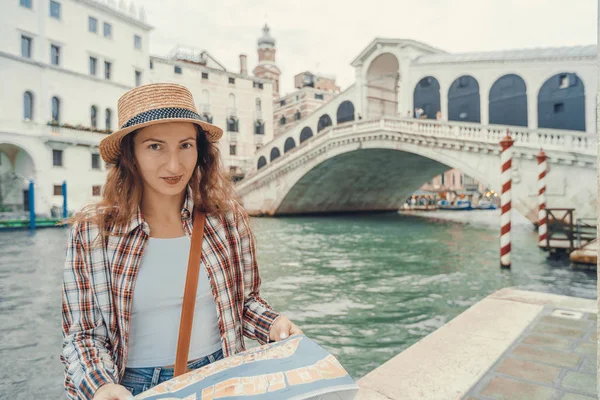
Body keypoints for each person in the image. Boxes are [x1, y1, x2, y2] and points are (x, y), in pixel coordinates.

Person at [60, 83, 302, 400]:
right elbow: (83, 334)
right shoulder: (92, 232)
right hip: (133, 388)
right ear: (130, 154)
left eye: (185, 145)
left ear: (200, 150)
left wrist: (273, 324)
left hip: (223, 377)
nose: (174, 165)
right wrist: (102, 386)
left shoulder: (228, 221)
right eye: (155, 147)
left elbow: (245, 305)